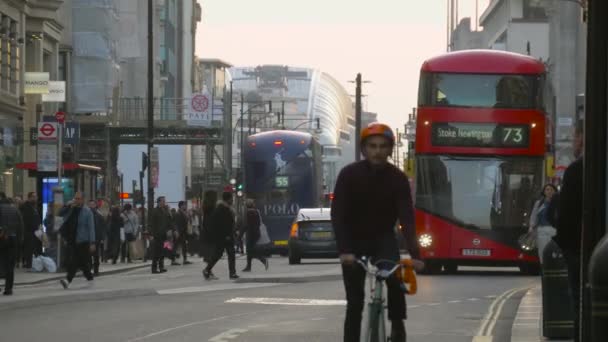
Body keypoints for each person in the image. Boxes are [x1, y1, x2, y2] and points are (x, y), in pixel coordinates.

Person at [331, 123, 424, 342]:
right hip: (353, 242)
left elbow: (407, 219)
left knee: (396, 281)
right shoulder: (348, 175)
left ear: (390, 150)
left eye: (383, 146)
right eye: (372, 146)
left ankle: (398, 326)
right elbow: (338, 215)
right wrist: (344, 250)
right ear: (364, 149)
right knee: (354, 303)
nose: (377, 151)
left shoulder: (398, 178)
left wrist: (415, 255)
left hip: (383, 239)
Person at [553, 119, 584, 342]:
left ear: (582, 138)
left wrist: (564, 246)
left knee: (580, 303)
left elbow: (565, 216)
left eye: (575, 137)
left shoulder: (576, 170)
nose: (573, 142)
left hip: (578, 249)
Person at [59, 192, 96, 289]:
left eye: (79, 198)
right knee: (82, 263)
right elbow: (60, 214)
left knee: (74, 261)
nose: (76, 200)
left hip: (83, 240)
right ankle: (90, 279)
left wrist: (92, 242)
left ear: (83, 200)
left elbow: (91, 227)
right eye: (75, 198)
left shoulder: (87, 212)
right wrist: (67, 206)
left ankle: (67, 280)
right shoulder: (72, 209)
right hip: (73, 239)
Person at [203, 191, 239, 280]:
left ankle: (208, 269)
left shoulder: (224, 208)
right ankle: (231, 273)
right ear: (228, 199)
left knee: (220, 254)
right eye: (232, 199)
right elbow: (222, 224)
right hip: (224, 237)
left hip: (225, 236)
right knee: (227, 254)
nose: (233, 200)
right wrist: (226, 235)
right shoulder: (222, 209)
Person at [0, 193, 24, 295]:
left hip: (1, 238)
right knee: (10, 265)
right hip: (13, 239)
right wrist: (20, 241)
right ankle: (8, 289)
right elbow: (21, 226)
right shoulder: (15, 210)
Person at [528, 184, 559, 263]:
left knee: (554, 252)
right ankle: (543, 270)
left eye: (551, 190)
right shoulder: (539, 203)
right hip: (542, 230)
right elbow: (534, 215)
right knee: (542, 251)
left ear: (555, 191)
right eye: (547, 190)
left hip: (554, 230)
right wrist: (531, 226)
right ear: (544, 192)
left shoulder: (558, 202)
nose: (549, 192)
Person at [241, 199, 269, 272]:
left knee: (251, 250)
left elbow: (246, 225)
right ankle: (248, 266)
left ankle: (263, 260)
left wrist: (240, 234)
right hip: (256, 233)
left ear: (247, 205)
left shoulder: (248, 212)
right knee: (250, 250)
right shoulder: (256, 211)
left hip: (251, 233)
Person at [19, 192, 41, 268]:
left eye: (36, 196)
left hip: (34, 232)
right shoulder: (26, 207)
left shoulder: (33, 206)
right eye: (34, 197)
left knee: (32, 248)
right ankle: (29, 264)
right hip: (29, 232)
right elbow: (27, 220)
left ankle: (31, 264)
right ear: (29, 198)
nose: (36, 198)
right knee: (29, 249)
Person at [150, 196, 171, 274]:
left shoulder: (165, 211)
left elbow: (169, 221)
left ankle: (161, 267)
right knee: (157, 252)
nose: (164, 202)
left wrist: (170, 230)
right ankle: (154, 268)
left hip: (164, 235)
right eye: (163, 201)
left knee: (163, 251)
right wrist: (152, 234)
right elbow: (152, 223)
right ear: (159, 202)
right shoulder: (155, 211)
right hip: (157, 235)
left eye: (164, 201)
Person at [88, 200, 107, 275]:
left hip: (97, 238)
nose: (91, 206)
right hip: (88, 238)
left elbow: (103, 227)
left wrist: (102, 238)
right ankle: (89, 270)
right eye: (90, 205)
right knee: (88, 255)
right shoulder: (86, 215)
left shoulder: (99, 215)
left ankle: (96, 270)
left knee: (96, 255)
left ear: (95, 206)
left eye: (93, 204)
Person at [200, 190, 218, 262]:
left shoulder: (206, 206)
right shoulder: (211, 207)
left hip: (207, 229)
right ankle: (208, 267)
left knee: (208, 245)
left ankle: (207, 260)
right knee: (211, 246)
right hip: (211, 229)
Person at [173, 201, 192, 265]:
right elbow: (175, 223)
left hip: (183, 232)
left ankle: (185, 259)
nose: (185, 206)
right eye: (184, 205)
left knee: (184, 246)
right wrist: (176, 231)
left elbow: (187, 221)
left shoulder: (184, 213)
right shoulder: (177, 213)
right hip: (179, 232)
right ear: (181, 206)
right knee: (175, 246)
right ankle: (173, 260)